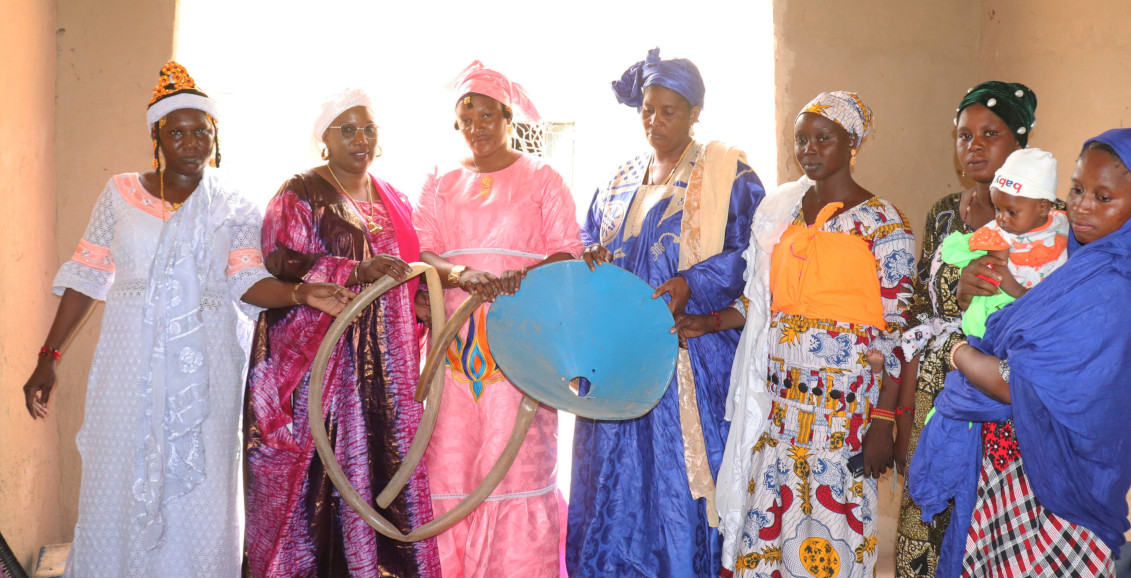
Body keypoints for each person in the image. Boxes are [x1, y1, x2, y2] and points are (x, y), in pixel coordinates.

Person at [21, 62, 349, 577]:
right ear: (157, 137)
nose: (191, 142)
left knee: (200, 489)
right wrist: (49, 356)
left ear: (215, 138)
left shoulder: (233, 205)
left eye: (202, 131)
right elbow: (86, 276)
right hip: (128, 363)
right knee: (118, 473)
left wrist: (302, 292)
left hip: (209, 363)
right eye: (177, 132)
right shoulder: (120, 193)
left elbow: (246, 282)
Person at [907, 128, 1131, 577]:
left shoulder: (1114, 288)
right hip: (1009, 471)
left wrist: (953, 352)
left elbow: (1018, 383)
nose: (1081, 206)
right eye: (1075, 189)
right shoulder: (1080, 265)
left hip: (1053, 486)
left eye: (1103, 197)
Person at [690, 91, 914, 577]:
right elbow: (761, 304)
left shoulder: (884, 223)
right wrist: (708, 322)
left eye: (822, 138)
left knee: (835, 537)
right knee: (772, 533)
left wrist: (882, 420)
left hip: (846, 416)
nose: (809, 149)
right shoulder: (784, 217)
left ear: (852, 142)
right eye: (801, 140)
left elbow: (899, 335)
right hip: (783, 411)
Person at [568, 48, 766, 577]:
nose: (655, 122)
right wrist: (590, 254)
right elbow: (590, 233)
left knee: (675, 481)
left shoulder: (729, 174)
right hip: (616, 353)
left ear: (695, 112)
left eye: (669, 111)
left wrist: (691, 281)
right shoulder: (620, 177)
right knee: (612, 475)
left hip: (687, 353)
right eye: (647, 110)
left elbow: (750, 252)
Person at [243, 89, 441, 577]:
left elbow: (412, 267)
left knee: (391, 463)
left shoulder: (393, 195)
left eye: (369, 129)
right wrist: (354, 269)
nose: (361, 139)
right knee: (326, 475)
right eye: (348, 129)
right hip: (326, 364)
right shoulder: (302, 190)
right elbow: (281, 258)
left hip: (389, 365)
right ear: (324, 140)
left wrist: (428, 297)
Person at [413, 62, 583, 577]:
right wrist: (460, 271)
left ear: (508, 119)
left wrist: (520, 276)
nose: (478, 126)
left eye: (489, 115)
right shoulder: (439, 182)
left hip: (521, 345)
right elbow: (421, 253)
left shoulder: (543, 180)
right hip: (453, 348)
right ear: (456, 124)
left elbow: (568, 253)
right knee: (449, 464)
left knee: (516, 468)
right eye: (467, 117)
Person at [894, 81, 1041, 578]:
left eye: (989, 133)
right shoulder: (942, 213)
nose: (973, 146)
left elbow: (1055, 311)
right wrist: (901, 410)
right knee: (924, 527)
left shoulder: (1048, 217)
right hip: (935, 393)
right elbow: (918, 312)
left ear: (1019, 141)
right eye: (963, 135)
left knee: (985, 535)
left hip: (996, 400)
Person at [940, 148, 1068, 337]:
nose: (1002, 219)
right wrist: (1023, 295)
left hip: (1051, 307)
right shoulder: (1001, 234)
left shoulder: (1061, 223)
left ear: (1043, 207)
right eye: (998, 209)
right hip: (1013, 302)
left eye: (1012, 211)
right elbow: (998, 268)